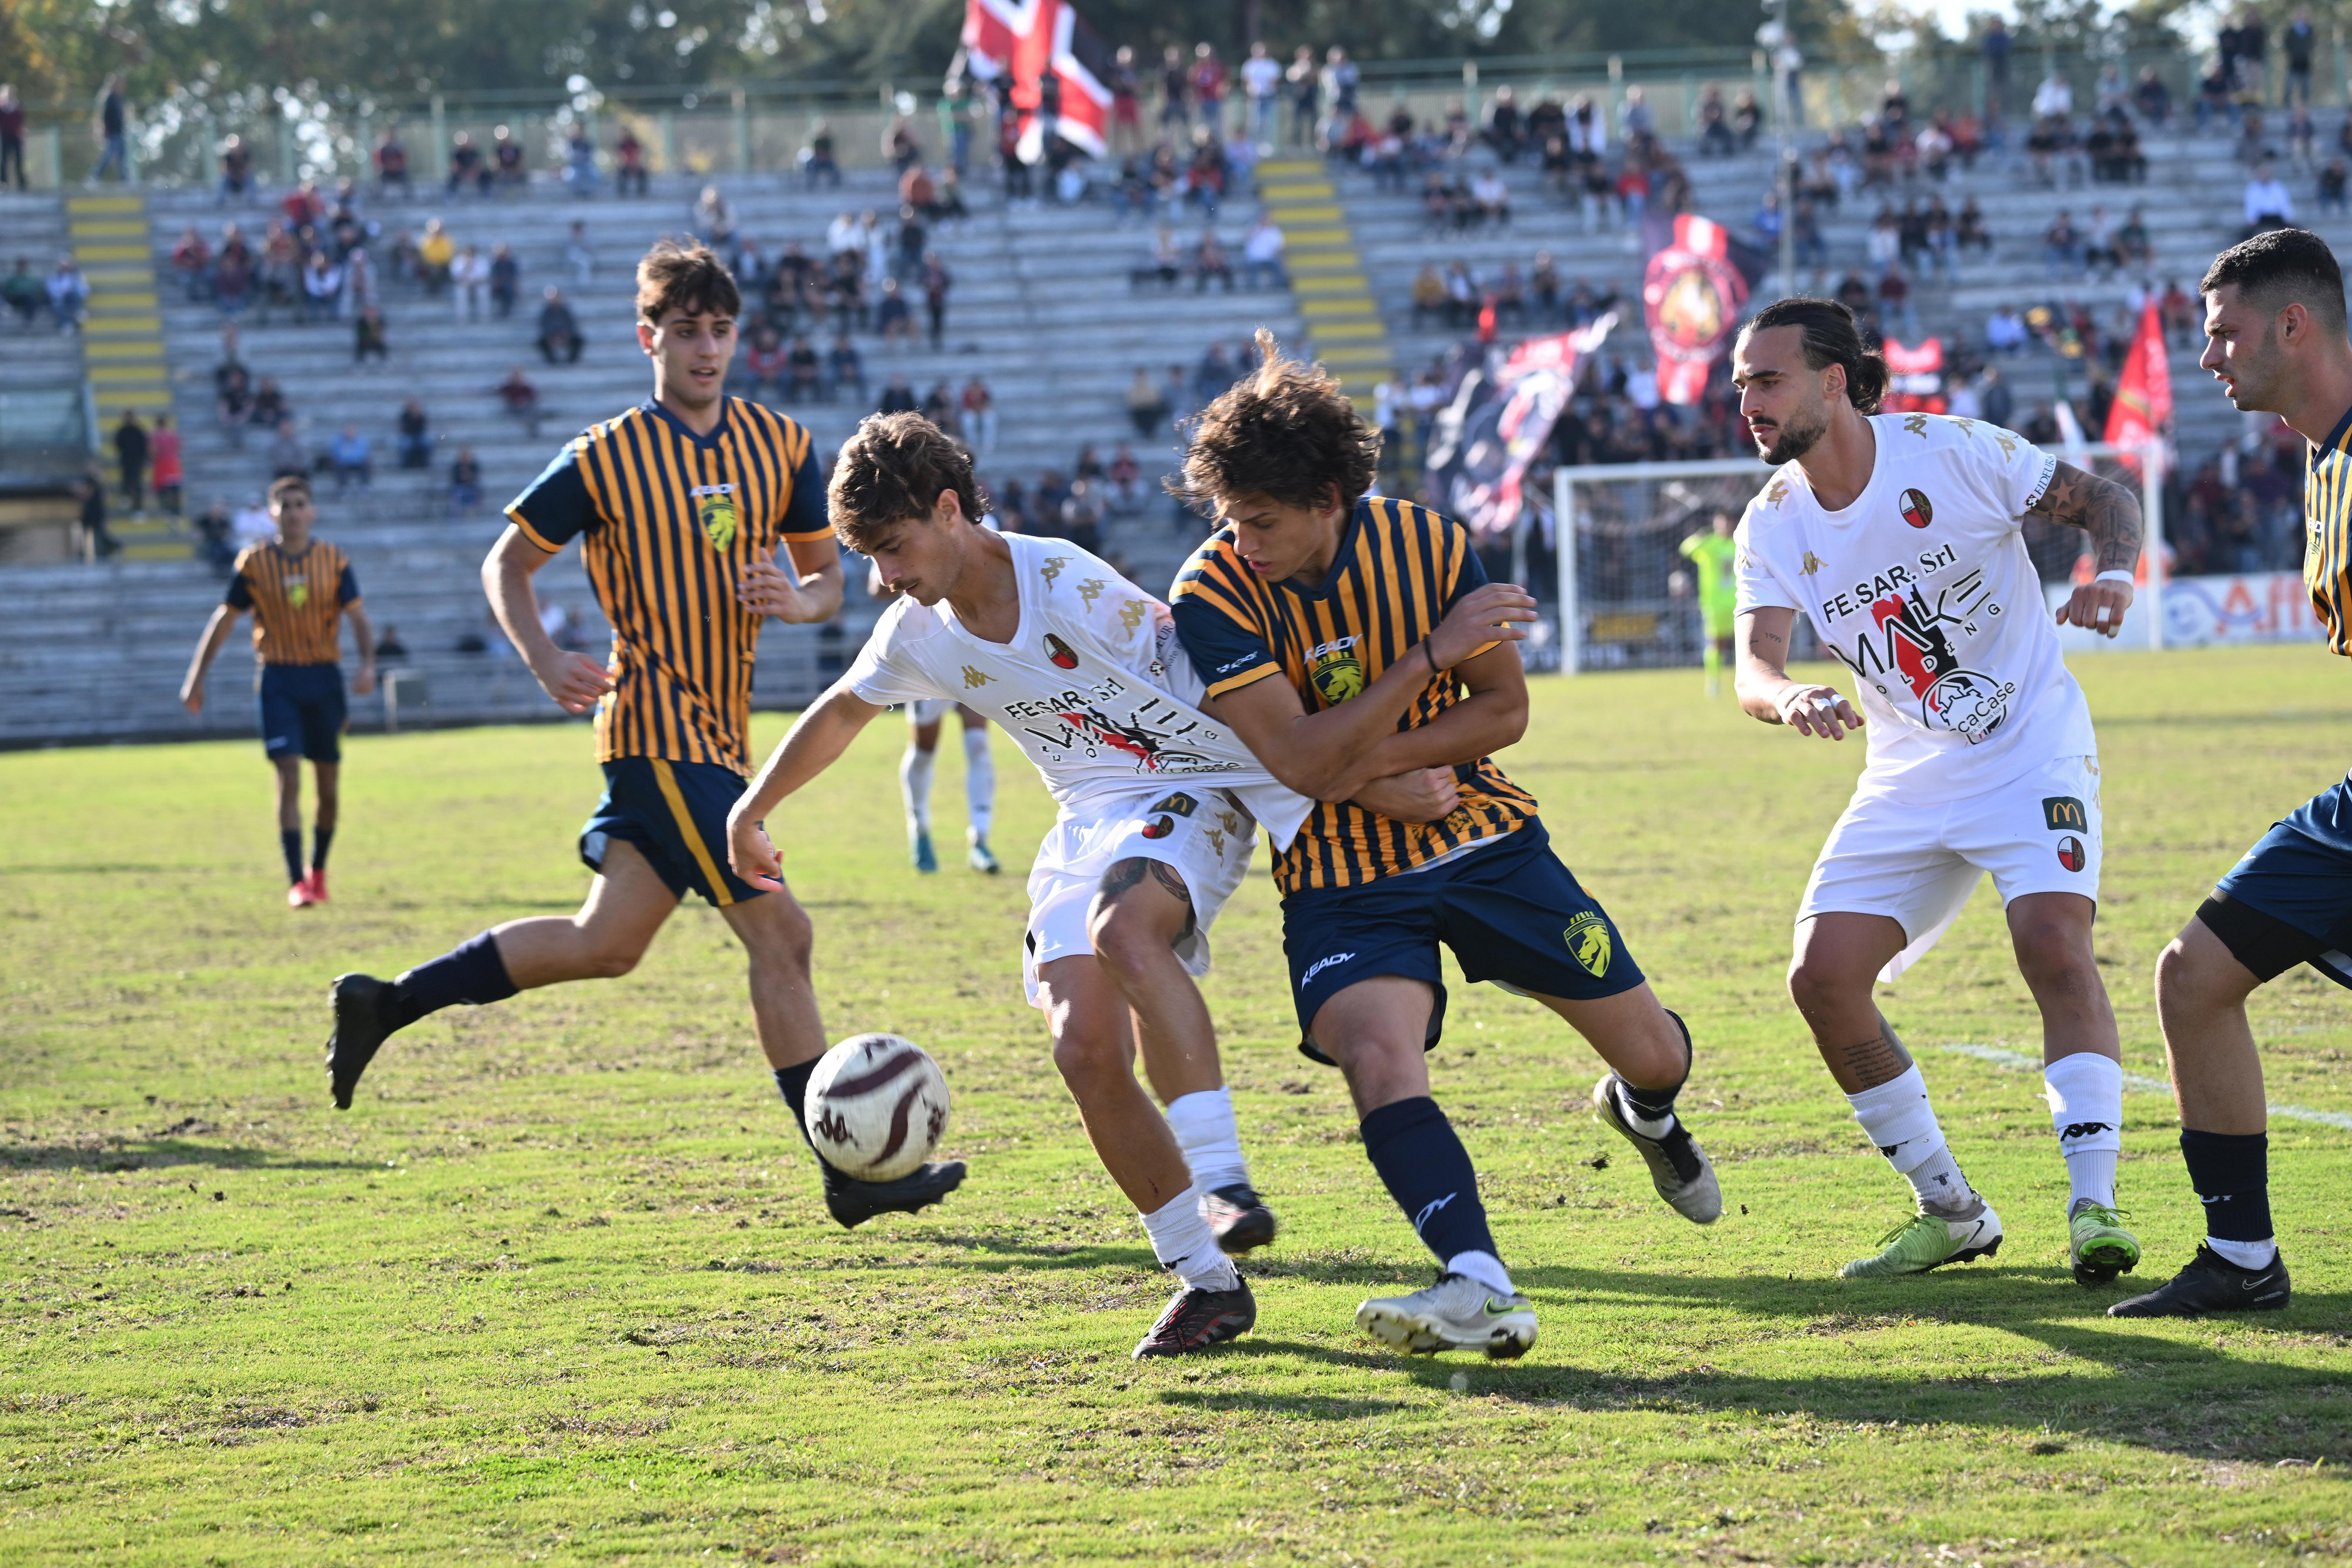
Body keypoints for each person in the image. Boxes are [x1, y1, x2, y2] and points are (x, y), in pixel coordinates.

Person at [317, 241, 958, 1226]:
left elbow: (830, 581)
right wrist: (543, 657)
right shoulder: (604, 456)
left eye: (721, 330)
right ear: (646, 337)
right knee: (783, 933)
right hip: (657, 729)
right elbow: (505, 564)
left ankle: (386, 1001)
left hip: (721, 738)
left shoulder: (781, 445)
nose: (706, 349)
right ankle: (848, 1175)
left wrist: (798, 601)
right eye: (686, 330)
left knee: (606, 942)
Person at [1167, 333, 1723, 1358]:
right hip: (1339, 870)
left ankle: (1645, 1114)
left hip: (1482, 834)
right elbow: (1299, 763)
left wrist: (1368, 762)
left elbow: (1504, 711)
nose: (1240, 542)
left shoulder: (1427, 544)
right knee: (1376, 1057)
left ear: (1329, 497)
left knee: (1656, 1055)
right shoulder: (1210, 593)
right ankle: (1477, 1280)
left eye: (1262, 521)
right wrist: (1421, 669)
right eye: (1228, 519)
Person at [728, 413, 1307, 1355]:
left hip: (1193, 785)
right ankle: (1208, 1283)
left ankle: (1223, 1182)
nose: (885, 576)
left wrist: (1317, 779)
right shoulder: (918, 631)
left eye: (893, 548)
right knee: (1083, 1049)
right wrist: (752, 809)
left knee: (1127, 932)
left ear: (947, 510)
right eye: (868, 558)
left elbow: (1217, 682)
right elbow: (840, 713)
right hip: (1087, 819)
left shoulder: (1068, 584)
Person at [1726, 297, 2146, 1285]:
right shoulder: (1771, 521)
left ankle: (2094, 1206)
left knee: (2052, 943)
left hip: (2029, 746)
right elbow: (1753, 667)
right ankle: (1950, 1210)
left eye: (1768, 380)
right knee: (1820, 979)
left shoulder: (1953, 451)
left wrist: (2115, 576)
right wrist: (1787, 698)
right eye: (1741, 385)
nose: (1748, 402)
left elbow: (2106, 500)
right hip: (1906, 771)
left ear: (1834, 381)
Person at [2105, 231, 2352, 1316]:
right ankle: (2241, 1258)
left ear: (2292, 325)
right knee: (2194, 976)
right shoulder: (2322, 453)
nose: (2208, 357)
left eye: (2223, 334)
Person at [178, 475, 378, 907]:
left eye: (300, 504)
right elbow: (225, 619)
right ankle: (296, 882)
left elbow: (359, 618)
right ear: (272, 514)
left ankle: (318, 870)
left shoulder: (333, 560)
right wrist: (196, 677)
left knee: (327, 786)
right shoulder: (254, 563)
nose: (293, 513)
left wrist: (367, 665)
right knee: (288, 775)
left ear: (312, 511)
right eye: (285, 506)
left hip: (324, 678)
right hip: (278, 679)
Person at [1677, 511, 1737, 697]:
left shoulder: (1739, 543)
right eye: (1721, 522)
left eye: (1727, 522)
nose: (1724, 526)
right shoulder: (1709, 544)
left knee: (1745, 643)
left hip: (1739, 601)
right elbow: (1685, 549)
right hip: (1714, 604)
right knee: (1716, 644)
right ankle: (1713, 681)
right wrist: (1698, 537)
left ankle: (1746, 680)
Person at [91, 74, 128, 184]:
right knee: (108, 156)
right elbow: (106, 117)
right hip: (113, 133)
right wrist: (105, 131)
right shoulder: (110, 99)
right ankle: (94, 177)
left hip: (120, 132)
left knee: (122, 158)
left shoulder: (118, 99)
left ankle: (125, 181)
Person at [113, 409, 149, 512]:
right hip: (126, 460)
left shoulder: (138, 430)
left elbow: (143, 447)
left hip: (137, 461)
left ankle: (138, 508)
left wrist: (144, 459)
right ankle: (126, 501)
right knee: (126, 482)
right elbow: (118, 444)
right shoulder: (122, 431)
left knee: (137, 484)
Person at [537, 285, 581, 365]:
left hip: (565, 335)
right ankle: (552, 361)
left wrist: (566, 334)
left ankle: (571, 361)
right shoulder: (547, 312)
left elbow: (571, 324)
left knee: (578, 341)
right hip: (551, 336)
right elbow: (544, 325)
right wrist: (552, 336)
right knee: (541, 343)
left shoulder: (565, 311)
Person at [151, 412, 182, 515]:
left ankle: (166, 509)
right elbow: (179, 448)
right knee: (174, 487)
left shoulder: (155, 436)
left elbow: (154, 451)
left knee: (162, 489)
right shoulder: (173, 435)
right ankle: (177, 511)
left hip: (162, 464)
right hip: (173, 463)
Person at [329, 425, 372, 490]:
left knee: (366, 466)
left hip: (358, 463)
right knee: (340, 467)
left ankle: (365, 486)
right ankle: (343, 487)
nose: (350, 434)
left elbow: (362, 455)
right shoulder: (338, 442)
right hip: (343, 464)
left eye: (352, 432)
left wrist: (349, 457)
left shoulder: (361, 442)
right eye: (348, 432)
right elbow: (337, 454)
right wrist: (348, 458)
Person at [0, 84, 26, 192]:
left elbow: (21, 122)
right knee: (4, 160)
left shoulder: (18, 107)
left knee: (19, 160)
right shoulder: (2, 109)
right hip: (5, 136)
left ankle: (22, 183)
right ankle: (4, 182)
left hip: (16, 136)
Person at [396, 399, 431, 469]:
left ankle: (424, 462)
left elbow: (422, 428)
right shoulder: (405, 416)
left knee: (427, 442)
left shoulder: (421, 417)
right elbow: (404, 429)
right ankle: (407, 463)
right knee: (406, 443)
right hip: (408, 436)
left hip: (419, 435)